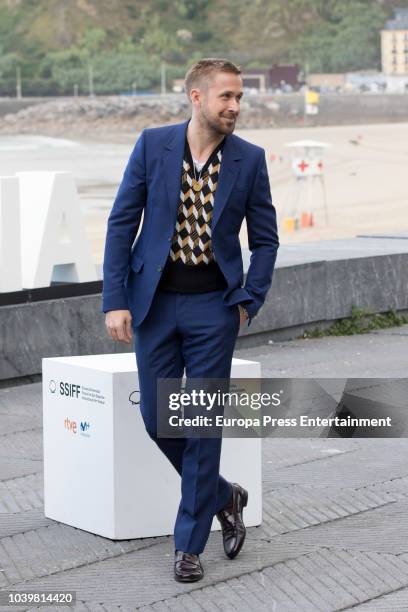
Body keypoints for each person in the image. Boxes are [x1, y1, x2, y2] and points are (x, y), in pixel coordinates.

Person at [101, 58, 279, 582]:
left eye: (240, 98)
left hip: (214, 309)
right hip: (154, 305)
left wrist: (251, 296)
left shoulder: (250, 159)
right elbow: (120, 223)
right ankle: (226, 496)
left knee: (201, 427)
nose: (235, 107)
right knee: (158, 419)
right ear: (196, 97)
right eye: (226, 97)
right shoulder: (153, 145)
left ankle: (188, 545)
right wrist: (116, 299)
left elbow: (265, 238)